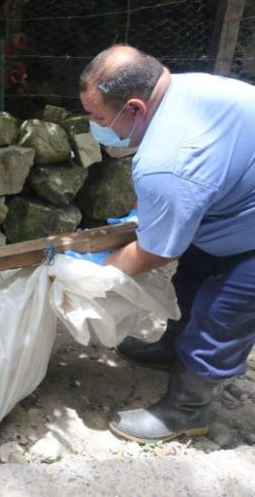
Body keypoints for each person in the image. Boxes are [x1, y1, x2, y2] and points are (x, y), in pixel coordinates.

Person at [74, 44, 255, 443]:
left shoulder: (168, 160)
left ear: (135, 107)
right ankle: (172, 350)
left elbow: (158, 251)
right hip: (236, 206)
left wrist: (95, 272)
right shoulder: (187, 88)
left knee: (221, 314)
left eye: (98, 116)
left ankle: (186, 411)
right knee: (190, 280)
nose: (95, 124)